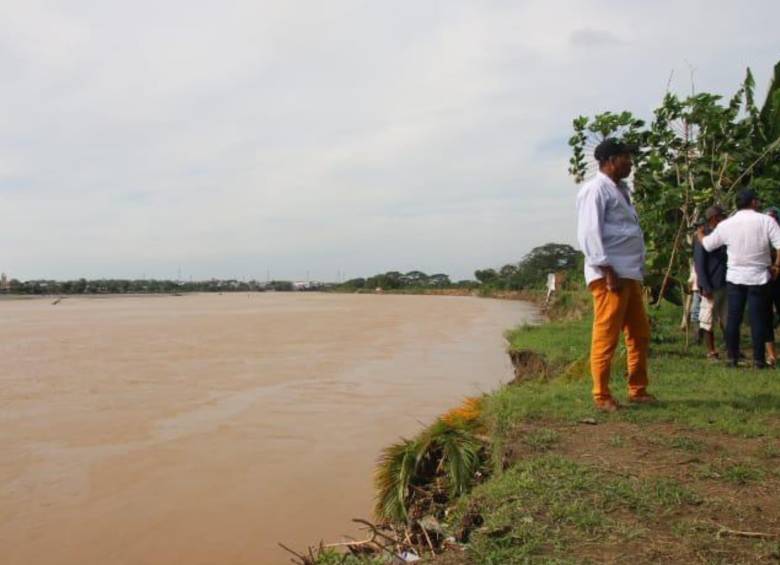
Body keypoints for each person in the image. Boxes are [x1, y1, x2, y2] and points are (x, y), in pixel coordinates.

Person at [576, 138, 655, 411]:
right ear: (609, 161)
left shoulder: (621, 190)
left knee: (639, 333)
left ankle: (638, 389)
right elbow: (588, 233)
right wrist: (607, 269)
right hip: (611, 275)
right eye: (625, 157)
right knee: (607, 335)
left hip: (628, 273)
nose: (630, 162)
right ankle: (601, 395)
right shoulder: (595, 190)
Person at [698, 189, 780, 368]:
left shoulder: (727, 224)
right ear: (753, 203)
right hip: (759, 276)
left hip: (735, 277)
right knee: (758, 319)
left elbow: (709, 245)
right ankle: (759, 360)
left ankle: (732, 358)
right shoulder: (766, 221)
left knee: (733, 319)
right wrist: (777, 266)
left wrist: (700, 236)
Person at [693, 206, 727, 360]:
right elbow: (699, 264)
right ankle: (711, 351)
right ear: (714, 218)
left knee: (727, 317)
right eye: (722, 216)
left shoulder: (723, 234)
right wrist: (705, 286)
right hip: (711, 284)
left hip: (725, 282)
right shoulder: (703, 236)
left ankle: (731, 347)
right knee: (708, 319)